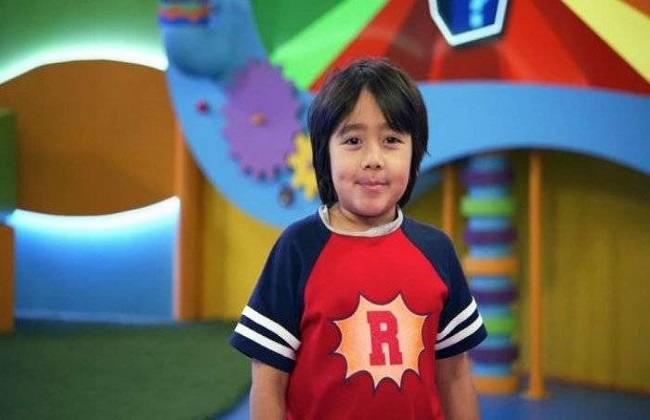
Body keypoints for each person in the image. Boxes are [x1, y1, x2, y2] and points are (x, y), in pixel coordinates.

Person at [230, 57, 487, 419]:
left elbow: (456, 376)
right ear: (324, 153)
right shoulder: (297, 249)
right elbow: (268, 382)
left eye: (392, 140)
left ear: (414, 151)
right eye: (353, 140)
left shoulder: (437, 251)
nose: (373, 159)